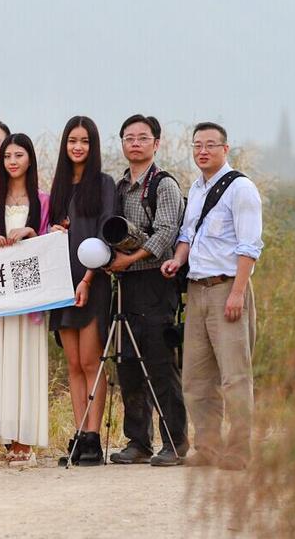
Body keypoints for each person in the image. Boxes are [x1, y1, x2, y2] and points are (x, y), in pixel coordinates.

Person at [162, 122, 263, 470]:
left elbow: (250, 246)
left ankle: (239, 449)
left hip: (227, 288)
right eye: (197, 145)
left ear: (225, 149)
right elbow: (187, 235)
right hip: (197, 289)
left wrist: (238, 292)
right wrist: (177, 260)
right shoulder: (196, 188)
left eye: (210, 145)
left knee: (235, 376)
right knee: (196, 377)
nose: (202, 151)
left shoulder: (241, 188)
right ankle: (207, 447)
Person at [107, 114, 188, 467]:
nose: (135, 143)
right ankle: (138, 441)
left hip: (156, 280)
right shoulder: (120, 186)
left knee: (159, 363)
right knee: (127, 363)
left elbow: (166, 231)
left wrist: (130, 258)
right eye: (129, 137)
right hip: (126, 284)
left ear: (156, 143)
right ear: (122, 143)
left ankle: (175, 442)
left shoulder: (163, 184)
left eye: (143, 137)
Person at [47, 115, 116, 465]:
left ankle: (93, 437)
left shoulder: (104, 184)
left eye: (84, 141)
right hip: (61, 283)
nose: (78, 147)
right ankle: (79, 434)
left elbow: (105, 236)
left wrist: (87, 280)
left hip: (92, 281)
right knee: (73, 363)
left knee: (91, 361)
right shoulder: (58, 186)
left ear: (93, 145)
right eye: (72, 141)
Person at [0, 132, 51, 465]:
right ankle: (6, 437)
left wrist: (32, 233)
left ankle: (26, 440)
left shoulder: (43, 200)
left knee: (26, 360)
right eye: (7, 156)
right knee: (0, 360)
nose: (11, 161)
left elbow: (48, 242)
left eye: (18, 155)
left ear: (29, 159)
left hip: (30, 294)